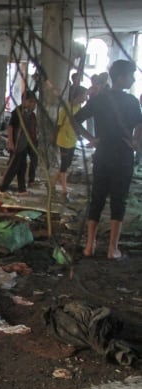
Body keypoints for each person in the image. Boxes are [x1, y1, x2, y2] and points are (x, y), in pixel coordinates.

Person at [72, 59, 142, 260]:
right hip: (123, 155)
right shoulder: (131, 102)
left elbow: (75, 119)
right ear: (121, 77)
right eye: (131, 75)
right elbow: (140, 124)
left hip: (102, 154)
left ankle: (89, 245)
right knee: (118, 201)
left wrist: (91, 139)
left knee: (97, 198)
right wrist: (135, 142)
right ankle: (113, 248)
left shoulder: (99, 99)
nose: (133, 79)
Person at [51, 86, 87, 199]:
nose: (85, 97)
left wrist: (79, 135)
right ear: (78, 96)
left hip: (72, 140)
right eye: (84, 95)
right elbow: (58, 125)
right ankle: (64, 190)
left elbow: (77, 124)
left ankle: (52, 183)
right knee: (64, 165)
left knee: (67, 164)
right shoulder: (65, 109)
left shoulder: (79, 107)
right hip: (63, 140)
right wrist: (53, 138)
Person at [0, 91, 37, 195]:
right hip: (16, 144)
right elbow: (11, 127)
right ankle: (2, 188)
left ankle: (22, 189)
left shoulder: (31, 114)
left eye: (34, 102)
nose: (32, 104)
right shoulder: (18, 112)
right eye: (30, 102)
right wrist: (11, 142)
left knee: (22, 167)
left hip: (24, 145)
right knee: (13, 168)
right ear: (24, 101)